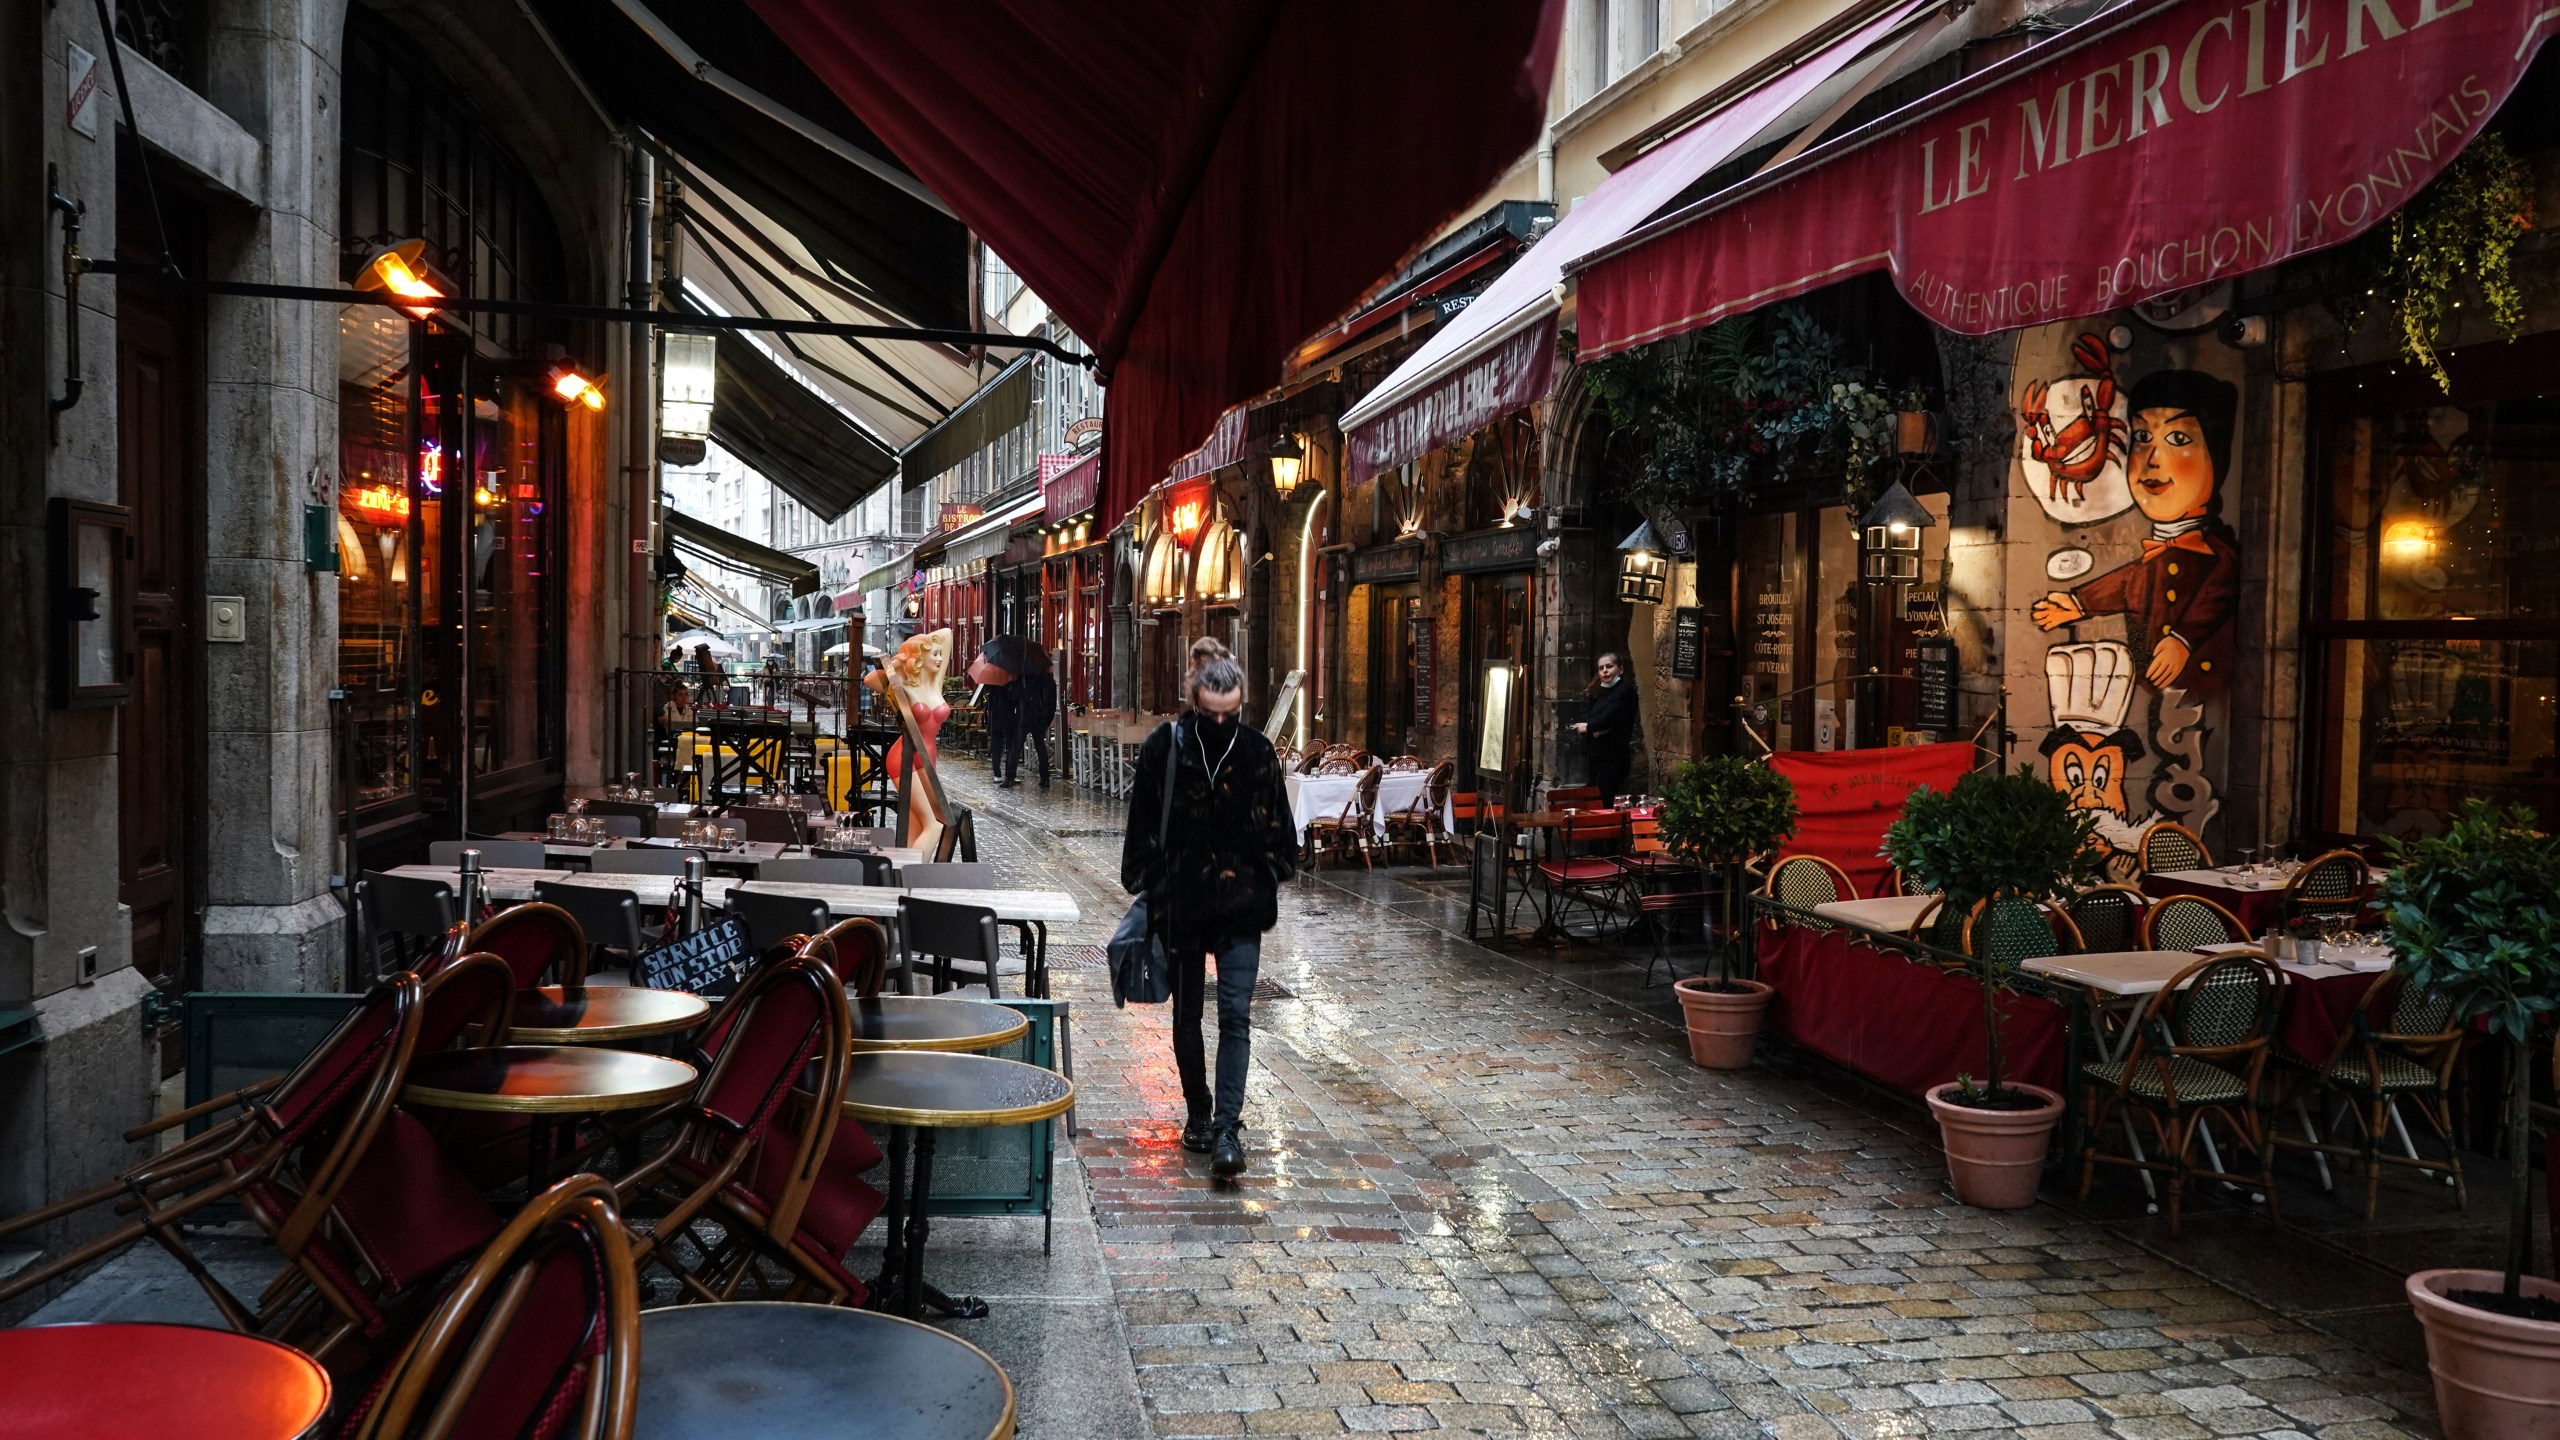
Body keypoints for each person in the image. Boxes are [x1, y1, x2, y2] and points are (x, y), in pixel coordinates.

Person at [1121, 647, 1295, 1179]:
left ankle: (1226, 1129)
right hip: (1184, 905)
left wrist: (1263, 876)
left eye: (1231, 713)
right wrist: (1159, 881)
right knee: (1187, 1014)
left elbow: (1282, 837)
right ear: (1194, 699)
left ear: (1241, 705)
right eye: (1210, 713)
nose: (1220, 723)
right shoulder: (1165, 748)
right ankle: (1198, 1113)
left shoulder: (1258, 753)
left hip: (1240, 908)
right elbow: (1141, 828)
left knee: (1237, 1015)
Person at [1571, 652, 1638, 802]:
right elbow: (1595, 719)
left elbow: (1607, 718)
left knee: (1604, 799)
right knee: (1592, 798)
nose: (1604, 671)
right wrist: (1594, 731)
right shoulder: (1602, 694)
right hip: (1597, 757)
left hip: (1613, 757)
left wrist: (1590, 727)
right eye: (1601, 668)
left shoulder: (1625, 691)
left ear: (1620, 670)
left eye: (1609, 666)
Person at [1010, 659, 1056, 789]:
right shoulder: (1048, 681)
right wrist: (1047, 719)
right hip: (1039, 718)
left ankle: (1010, 776)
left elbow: (1013, 696)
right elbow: (1052, 703)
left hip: (1024, 717)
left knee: (1016, 746)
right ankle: (1045, 778)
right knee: (1040, 747)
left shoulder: (1024, 678)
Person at [984, 672, 1023, 785]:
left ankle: (998, 775)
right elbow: (1014, 699)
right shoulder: (1009, 683)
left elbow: (990, 705)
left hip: (996, 720)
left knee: (997, 747)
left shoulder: (991, 685)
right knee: (1009, 747)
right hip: (1007, 720)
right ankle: (1009, 774)